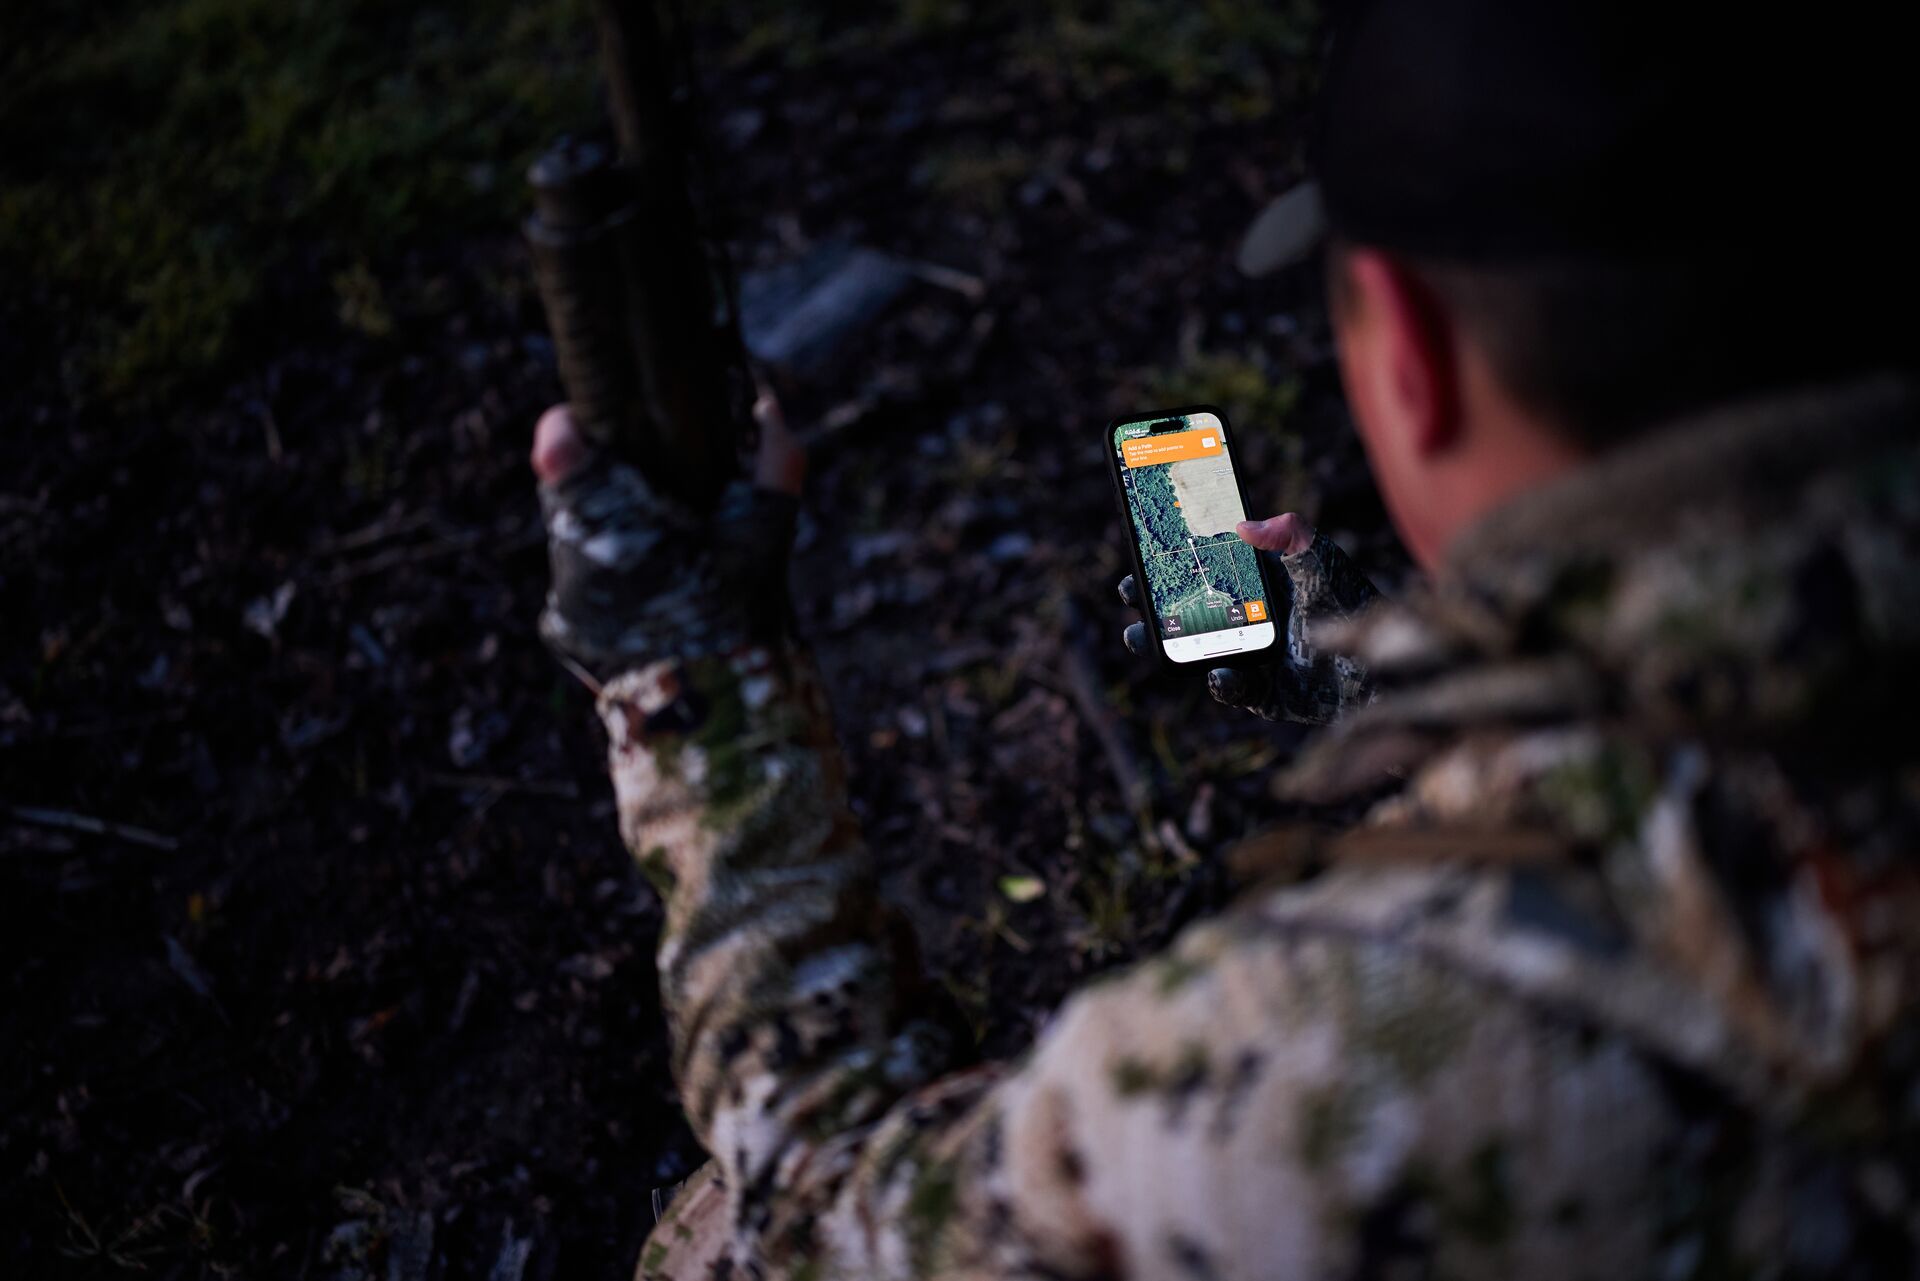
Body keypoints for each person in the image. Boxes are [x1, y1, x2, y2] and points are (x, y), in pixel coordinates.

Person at [532, 2, 1919, 1276]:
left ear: (1414, 361)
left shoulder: (1333, 1065)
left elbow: (825, 1201)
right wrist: (1358, 656)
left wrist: (692, 684)